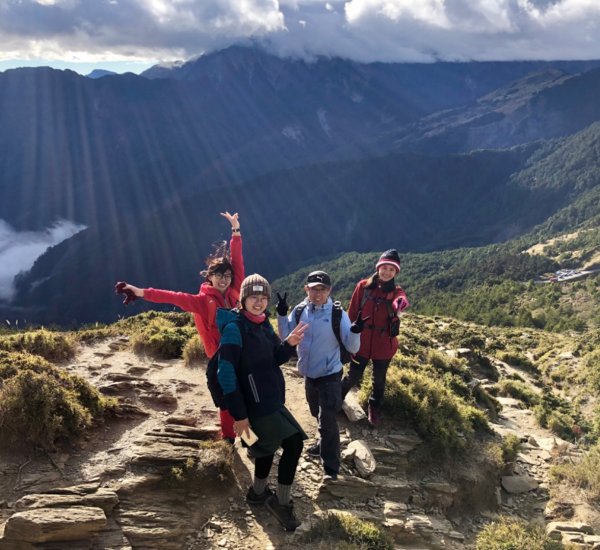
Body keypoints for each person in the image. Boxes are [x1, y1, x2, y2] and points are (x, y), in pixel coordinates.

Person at [115, 211, 244, 442]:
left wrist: (235, 230)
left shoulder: (236, 290)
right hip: (221, 356)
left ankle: (249, 437)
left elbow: (237, 260)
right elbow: (172, 297)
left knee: (245, 393)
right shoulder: (202, 301)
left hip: (242, 351)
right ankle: (228, 437)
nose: (224, 279)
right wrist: (141, 292)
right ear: (210, 278)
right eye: (218, 275)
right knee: (227, 395)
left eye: (227, 275)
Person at [217, 274, 308, 532]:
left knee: (264, 448)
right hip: (253, 407)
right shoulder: (235, 328)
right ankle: (280, 502)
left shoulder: (262, 324)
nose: (259, 302)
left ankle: (257, 494)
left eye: (263, 297)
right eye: (253, 297)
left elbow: (273, 360)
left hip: (269, 401)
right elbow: (226, 373)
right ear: (242, 299)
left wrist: (289, 344)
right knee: (293, 443)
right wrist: (239, 416)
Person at [277, 270, 361, 482]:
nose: (318, 293)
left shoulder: (337, 314)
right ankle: (323, 442)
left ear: (329, 290)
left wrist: (356, 331)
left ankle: (331, 469)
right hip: (309, 374)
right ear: (307, 289)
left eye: (322, 289)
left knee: (327, 420)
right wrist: (280, 314)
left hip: (330, 375)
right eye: (314, 288)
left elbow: (352, 346)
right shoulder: (300, 310)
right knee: (316, 412)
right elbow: (285, 335)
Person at [341, 249, 410, 427]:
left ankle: (374, 408)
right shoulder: (363, 286)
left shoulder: (397, 291)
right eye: (384, 267)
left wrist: (399, 304)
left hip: (384, 344)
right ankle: (335, 400)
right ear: (378, 268)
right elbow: (352, 312)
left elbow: (401, 300)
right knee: (353, 376)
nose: (387, 272)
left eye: (392, 270)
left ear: (396, 273)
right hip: (360, 342)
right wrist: (347, 337)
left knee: (379, 379)